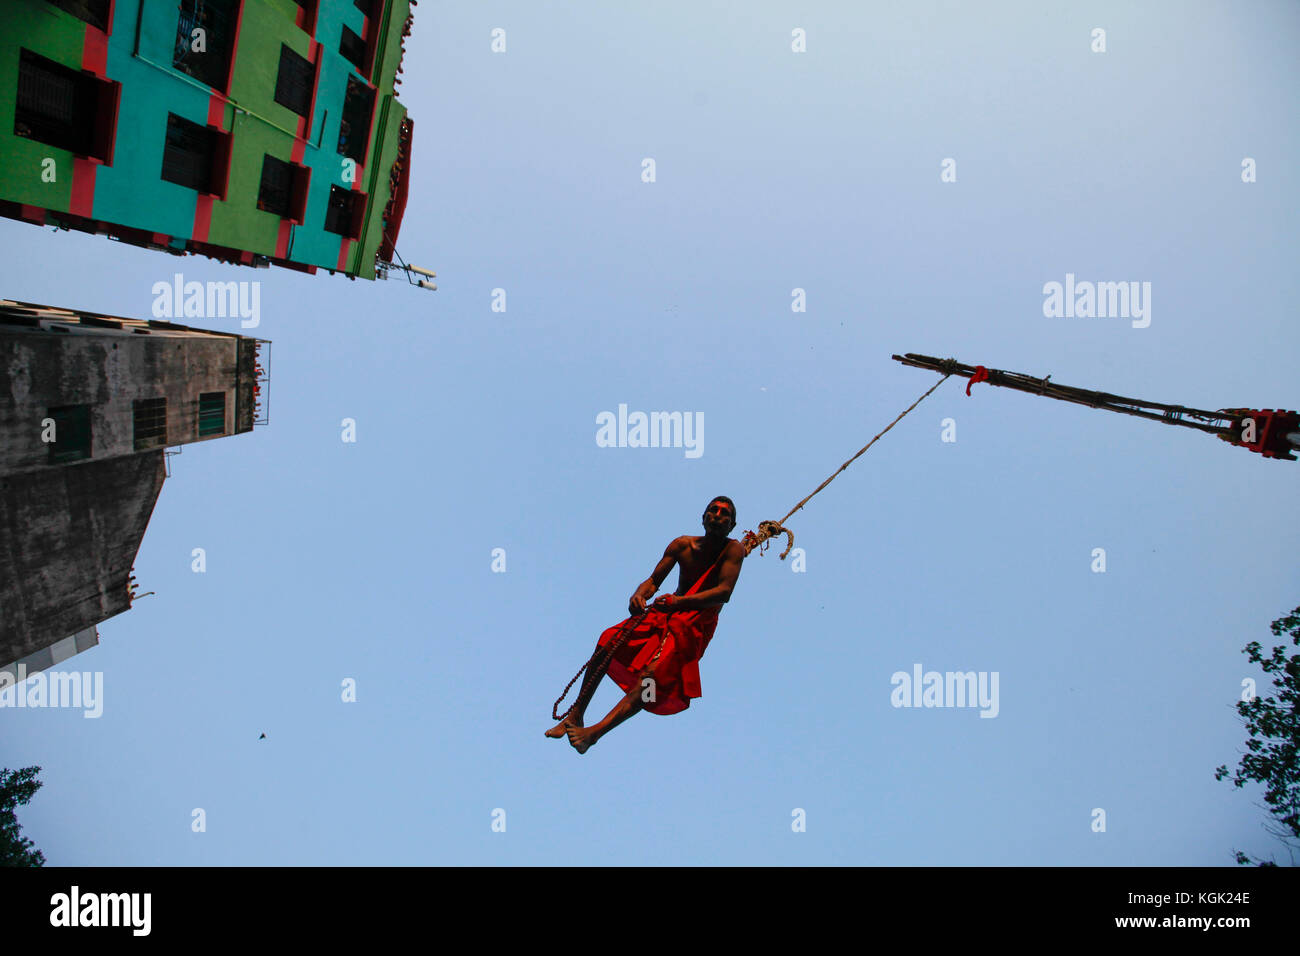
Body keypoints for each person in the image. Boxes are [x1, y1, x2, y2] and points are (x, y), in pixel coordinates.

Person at [546, 497, 745, 753]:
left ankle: (595, 733)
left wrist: (679, 602)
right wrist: (640, 595)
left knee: (651, 678)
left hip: (692, 624)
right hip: (666, 613)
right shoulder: (682, 545)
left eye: (724, 513)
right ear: (703, 516)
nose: (718, 515)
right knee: (609, 640)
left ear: (732, 524)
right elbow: (653, 581)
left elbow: (724, 592)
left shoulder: (733, 551)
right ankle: (576, 714)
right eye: (713, 510)